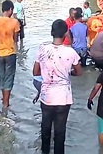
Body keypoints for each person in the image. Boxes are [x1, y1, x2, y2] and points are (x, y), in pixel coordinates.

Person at [33, 19, 83, 154]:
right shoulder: (71, 52)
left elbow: (35, 72)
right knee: (60, 132)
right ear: (66, 33)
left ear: (51, 32)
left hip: (46, 96)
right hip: (63, 98)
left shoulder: (42, 49)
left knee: (46, 129)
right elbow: (79, 72)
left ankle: (44, 151)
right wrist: (67, 73)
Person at [0, 0, 20, 111]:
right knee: (9, 78)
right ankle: (6, 103)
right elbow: (15, 38)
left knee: (2, 76)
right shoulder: (15, 22)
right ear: (10, 10)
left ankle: (3, 97)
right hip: (10, 52)